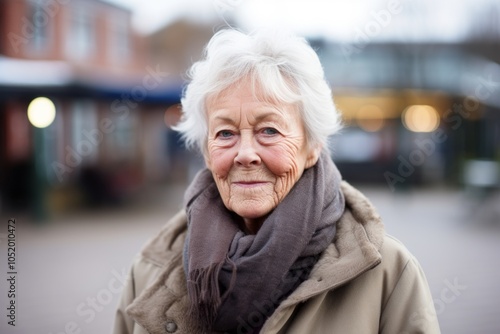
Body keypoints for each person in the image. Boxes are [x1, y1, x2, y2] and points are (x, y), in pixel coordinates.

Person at [113, 29, 440, 334]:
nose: (245, 154)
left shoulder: (388, 274)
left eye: (269, 130)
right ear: (207, 153)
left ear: (312, 147)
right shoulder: (148, 271)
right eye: (225, 133)